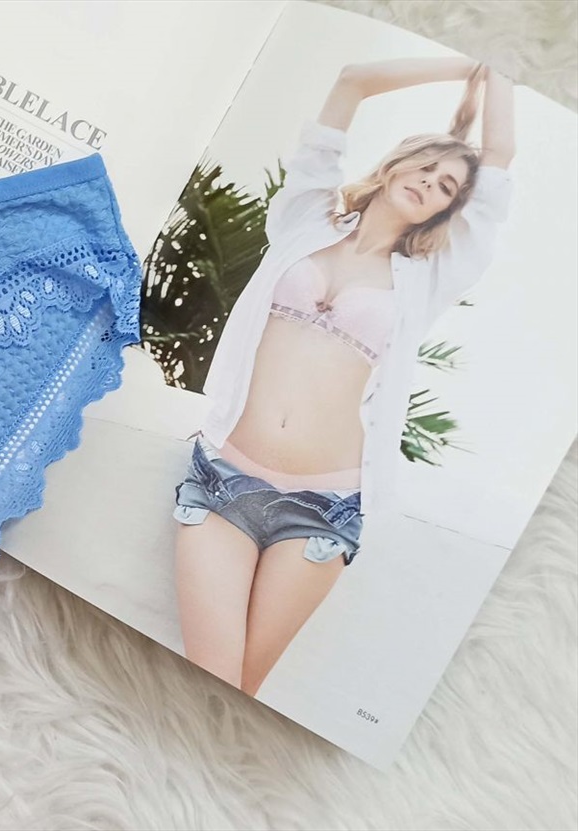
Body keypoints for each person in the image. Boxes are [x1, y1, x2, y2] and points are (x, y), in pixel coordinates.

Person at [171, 58, 516, 696]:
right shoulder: (304, 221)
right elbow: (353, 81)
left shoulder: (430, 279)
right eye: (426, 166)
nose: (432, 183)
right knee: (208, 678)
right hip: (224, 476)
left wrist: (502, 71)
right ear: (396, 164)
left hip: (323, 508)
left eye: (447, 186)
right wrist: (465, 62)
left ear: (448, 209)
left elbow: (498, 160)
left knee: (235, 696)